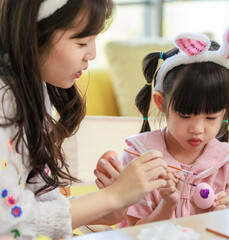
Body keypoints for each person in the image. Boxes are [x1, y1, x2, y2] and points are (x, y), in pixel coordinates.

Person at [0, 1, 168, 239]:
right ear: (35, 34)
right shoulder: (5, 98)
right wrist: (111, 197)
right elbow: (8, 218)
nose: (92, 54)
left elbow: (39, 197)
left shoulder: (33, 88)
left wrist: (109, 208)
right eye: (81, 42)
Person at [94, 16, 229, 227]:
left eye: (210, 117)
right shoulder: (141, 159)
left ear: (227, 109)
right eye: (185, 115)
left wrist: (218, 217)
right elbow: (132, 233)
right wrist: (167, 205)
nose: (197, 129)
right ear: (161, 102)